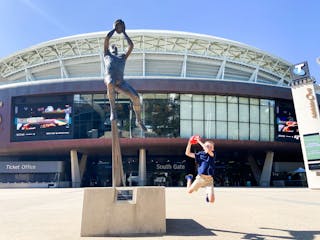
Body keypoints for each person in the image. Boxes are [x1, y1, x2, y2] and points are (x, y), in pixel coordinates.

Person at [103, 19, 147, 131]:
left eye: (115, 47)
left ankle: (138, 120)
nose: (114, 47)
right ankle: (113, 111)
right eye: (112, 47)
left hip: (121, 82)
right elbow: (107, 38)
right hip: (110, 80)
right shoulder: (106, 55)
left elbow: (131, 46)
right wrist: (115, 28)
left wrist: (123, 32)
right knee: (110, 82)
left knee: (136, 98)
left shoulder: (122, 57)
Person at [185, 136, 216, 203]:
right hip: (200, 178)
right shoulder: (200, 154)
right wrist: (189, 143)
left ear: (213, 149)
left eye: (211, 147)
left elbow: (207, 151)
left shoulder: (212, 154)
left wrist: (199, 141)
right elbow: (187, 153)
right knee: (189, 191)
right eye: (207, 146)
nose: (209, 148)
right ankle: (189, 178)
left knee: (212, 201)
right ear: (204, 147)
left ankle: (208, 195)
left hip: (209, 180)